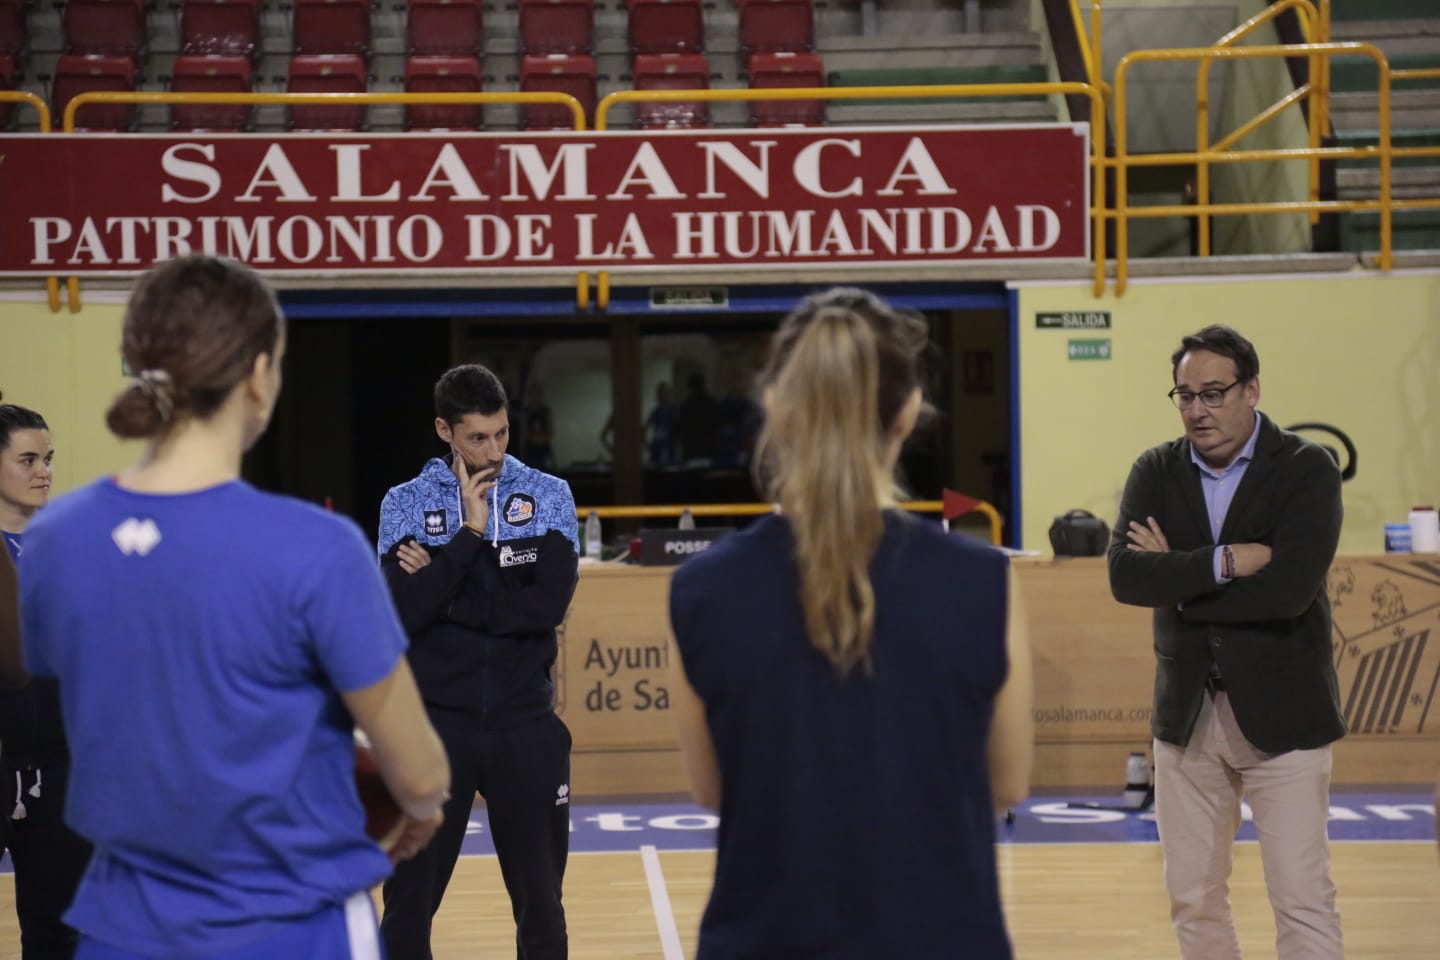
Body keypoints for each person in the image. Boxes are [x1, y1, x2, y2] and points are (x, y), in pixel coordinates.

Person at [18, 255, 451, 960]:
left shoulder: (54, 544)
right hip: (292, 926)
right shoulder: (317, 548)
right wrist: (419, 808)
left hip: (122, 929)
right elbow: (423, 773)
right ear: (257, 376)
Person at [667, 287, 1034, 960]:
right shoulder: (983, 581)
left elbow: (713, 788)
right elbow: (1005, 784)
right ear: (910, 411)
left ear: (776, 408)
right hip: (943, 936)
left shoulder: (701, 590)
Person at [1108, 323, 1346, 960]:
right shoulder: (1155, 469)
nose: (1197, 410)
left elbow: (1289, 591)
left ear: (1253, 389)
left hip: (1286, 714)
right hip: (1185, 718)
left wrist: (1178, 579)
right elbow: (1127, 577)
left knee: (1301, 896)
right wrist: (1224, 563)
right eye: (1185, 395)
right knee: (1193, 897)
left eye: (1213, 394)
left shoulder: (1306, 469)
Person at [377, 364, 579, 960]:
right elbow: (403, 614)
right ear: (444, 430)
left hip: (526, 729)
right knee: (408, 906)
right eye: (476, 438)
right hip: (432, 732)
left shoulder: (548, 496)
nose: (492, 451)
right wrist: (469, 535)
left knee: (542, 907)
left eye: (501, 434)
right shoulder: (405, 503)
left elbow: (545, 607)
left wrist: (446, 588)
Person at [0, 397, 91, 960]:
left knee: (57, 929)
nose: (45, 472)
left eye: (49, 458)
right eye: (29, 460)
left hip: (59, 766)